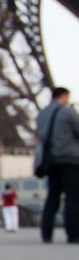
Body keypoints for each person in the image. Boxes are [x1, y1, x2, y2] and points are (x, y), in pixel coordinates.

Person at [37, 87, 79, 244]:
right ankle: (73, 233)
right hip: (69, 160)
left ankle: (46, 233)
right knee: (72, 198)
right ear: (63, 96)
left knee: (52, 197)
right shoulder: (68, 112)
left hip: (50, 161)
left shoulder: (42, 114)